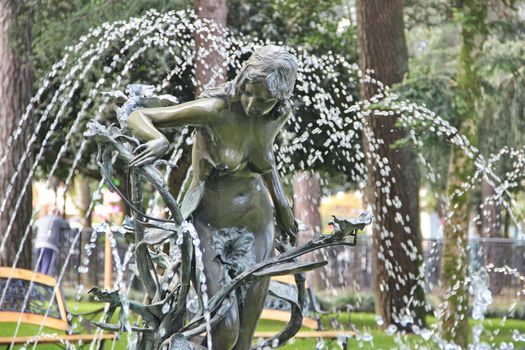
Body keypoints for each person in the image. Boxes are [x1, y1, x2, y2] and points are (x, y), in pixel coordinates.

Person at [128, 45, 299, 349]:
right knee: (224, 330)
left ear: (279, 98)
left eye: (263, 100)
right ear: (243, 80)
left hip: (257, 223)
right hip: (207, 222)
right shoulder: (215, 110)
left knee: (244, 336)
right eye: (248, 92)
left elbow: (263, 156)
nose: (252, 104)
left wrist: (283, 207)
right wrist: (157, 139)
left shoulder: (277, 113)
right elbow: (139, 115)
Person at [34, 208, 70, 276]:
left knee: (39, 266)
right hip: (50, 245)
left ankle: (38, 283)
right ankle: (43, 283)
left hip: (38, 244)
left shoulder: (42, 219)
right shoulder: (57, 219)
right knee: (47, 267)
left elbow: (35, 225)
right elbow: (67, 225)